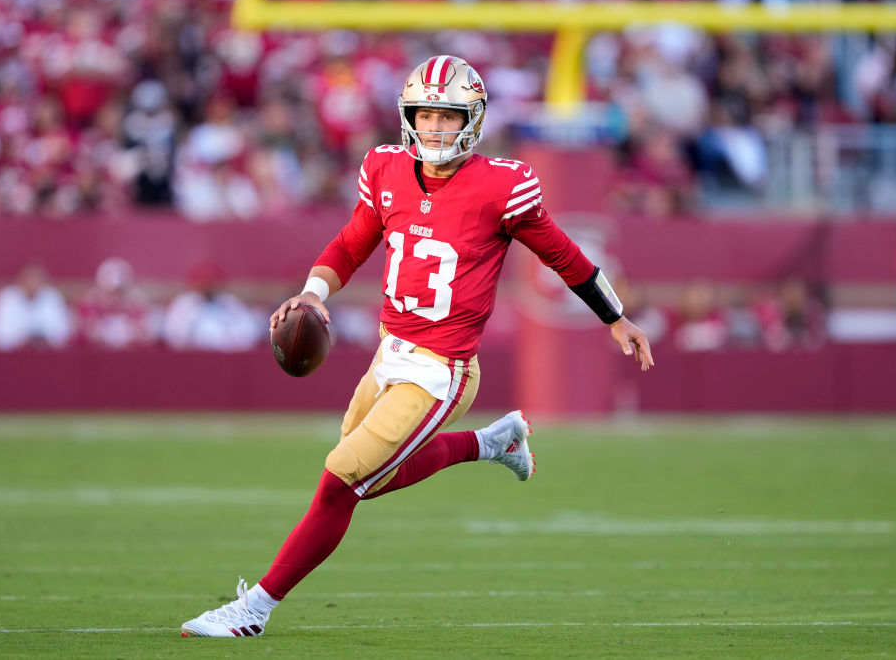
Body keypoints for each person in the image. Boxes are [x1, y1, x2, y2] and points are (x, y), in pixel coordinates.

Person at [181, 55, 654, 638]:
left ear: (472, 120)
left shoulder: (502, 187)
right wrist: (312, 293)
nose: (433, 127)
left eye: (447, 116)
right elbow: (352, 242)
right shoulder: (385, 168)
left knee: (339, 482)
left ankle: (253, 609)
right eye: (424, 113)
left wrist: (616, 317)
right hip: (390, 354)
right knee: (365, 480)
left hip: (442, 369)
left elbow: (565, 256)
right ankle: (492, 442)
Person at [0, 262, 72, 351]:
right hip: (14, 357)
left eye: (37, 280)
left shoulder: (53, 297)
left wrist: (43, 339)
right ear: (21, 280)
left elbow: (63, 334)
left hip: (46, 355)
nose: (32, 284)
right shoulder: (7, 298)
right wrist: (22, 339)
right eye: (29, 280)